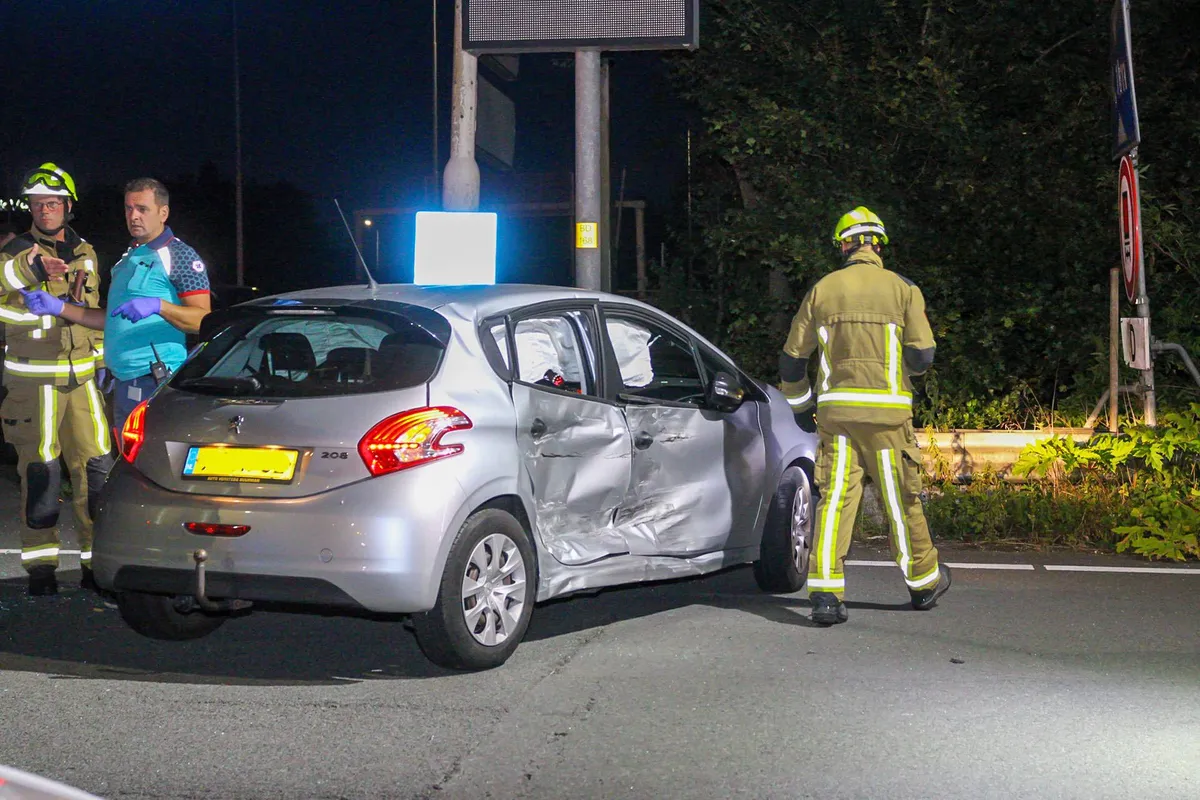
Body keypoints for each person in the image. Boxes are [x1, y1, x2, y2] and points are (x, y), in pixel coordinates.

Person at [779, 206, 950, 625]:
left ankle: (824, 596)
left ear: (844, 244)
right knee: (900, 499)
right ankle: (923, 584)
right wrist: (896, 373)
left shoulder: (822, 289)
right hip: (889, 419)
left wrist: (802, 409)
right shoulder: (903, 288)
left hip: (837, 418)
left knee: (835, 501)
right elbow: (923, 355)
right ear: (879, 245)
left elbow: (791, 362)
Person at [0, 163, 112, 596]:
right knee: (42, 473)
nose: (45, 210)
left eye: (52, 202)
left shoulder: (87, 251)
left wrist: (102, 361)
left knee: (96, 469)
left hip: (82, 379)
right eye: (37, 203)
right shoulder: (16, 254)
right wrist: (30, 278)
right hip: (34, 382)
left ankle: (94, 562)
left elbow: (93, 310)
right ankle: (42, 567)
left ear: (67, 206)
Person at [23, 178, 211, 434]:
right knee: (127, 461)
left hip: (156, 380)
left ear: (163, 212)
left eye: (142, 209)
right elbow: (110, 319)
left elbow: (204, 320)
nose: (133, 216)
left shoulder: (179, 255)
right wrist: (58, 307)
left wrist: (159, 306)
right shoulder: (128, 258)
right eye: (128, 208)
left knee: (150, 463)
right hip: (124, 381)